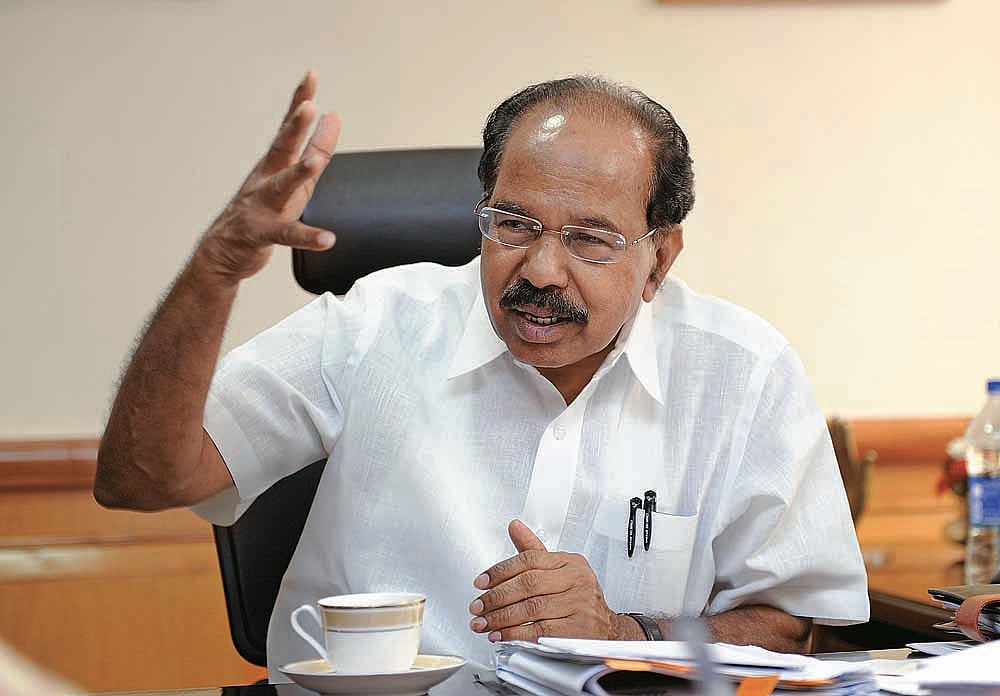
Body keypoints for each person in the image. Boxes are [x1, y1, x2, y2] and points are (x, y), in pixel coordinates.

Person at [94, 71, 869, 676]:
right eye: (514, 224)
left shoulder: (742, 373)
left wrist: (626, 634)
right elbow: (142, 478)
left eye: (590, 239)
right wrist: (215, 272)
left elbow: (788, 627)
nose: (542, 270)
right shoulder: (376, 325)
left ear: (659, 258)